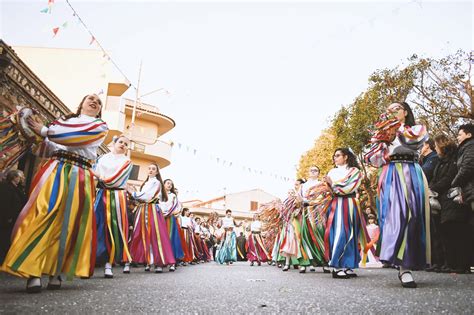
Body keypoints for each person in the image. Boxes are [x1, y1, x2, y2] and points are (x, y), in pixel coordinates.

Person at [1, 94, 108, 293]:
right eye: (90, 98)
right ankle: (32, 271)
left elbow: (74, 138)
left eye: (98, 101)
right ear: (81, 102)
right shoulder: (63, 122)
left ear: (99, 109)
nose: (94, 101)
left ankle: (56, 271)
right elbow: (50, 147)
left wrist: (44, 130)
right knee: (42, 214)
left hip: (80, 175)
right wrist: (33, 135)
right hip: (57, 169)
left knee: (68, 223)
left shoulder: (99, 126)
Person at [365, 101, 429, 288]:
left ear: (405, 111)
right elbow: (373, 158)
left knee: (413, 216)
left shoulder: (416, 129)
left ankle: (408, 259)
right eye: (389, 111)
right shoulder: (383, 134)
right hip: (391, 173)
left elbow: (414, 141)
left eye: (396, 110)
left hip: (411, 173)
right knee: (395, 217)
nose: (392, 113)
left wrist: (393, 132)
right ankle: (403, 267)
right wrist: (381, 141)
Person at [430, 134, 471, 274]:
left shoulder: (453, 160)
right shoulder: (440, 161)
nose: (435, 149)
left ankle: (458, 264)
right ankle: (449, 263)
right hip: (443, 199)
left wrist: (433, 189)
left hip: (451, 199)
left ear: (442, 146)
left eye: (436, 146)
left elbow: (448, 179)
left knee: (455, 232)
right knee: (445, 233)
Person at [323, 148, 365, 279]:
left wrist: (333, 184)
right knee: (340, 232)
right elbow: (328, 190)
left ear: (346, 157)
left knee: (352, 233)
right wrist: (330, 187)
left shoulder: (355, 171)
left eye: (337, 155)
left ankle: (348, 265)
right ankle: (336, 266)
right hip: (336, 204)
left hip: (350, 203)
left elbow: (349, 187)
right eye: (334, 156)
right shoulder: (332, 171)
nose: (334, 158)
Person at [127, 162, 176, 273]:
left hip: (152, 210)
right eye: (149, 168)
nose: (150, 170)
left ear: (157, 171)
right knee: (140, 234)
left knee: (156, 234)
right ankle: (148, 260)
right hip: (142, 209)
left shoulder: (157, 183)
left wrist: (133, 193)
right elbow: (142, 197)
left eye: (153, 169)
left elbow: (148, 196)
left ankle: (159, 262)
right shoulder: (145, 183)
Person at [451, 123, 474, 269]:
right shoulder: (464, 149)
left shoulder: (471, 147)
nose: (457, 137)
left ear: (469, 135)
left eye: (460, 134)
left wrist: (454, 182)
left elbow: (468, 167)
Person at [0, 170, 27, 264]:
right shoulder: (6, 187)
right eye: (21, 177)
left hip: (13, 220)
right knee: (4, 239)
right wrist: (8, 217)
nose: (23, 178)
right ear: (14, 178)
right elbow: (5, 204)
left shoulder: (17, 188)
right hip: (7, 220)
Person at [161, 179, 184, 271]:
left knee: (171, 239)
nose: (169, 185)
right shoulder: (159, 194)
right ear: (164, 184)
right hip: (160, 218)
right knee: (161, 239)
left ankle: (172, 262)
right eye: (168, 183)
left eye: (171, 184)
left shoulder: (173, 196)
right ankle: (161, 261)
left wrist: (171, 213)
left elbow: (176, 207)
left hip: (170, 219)